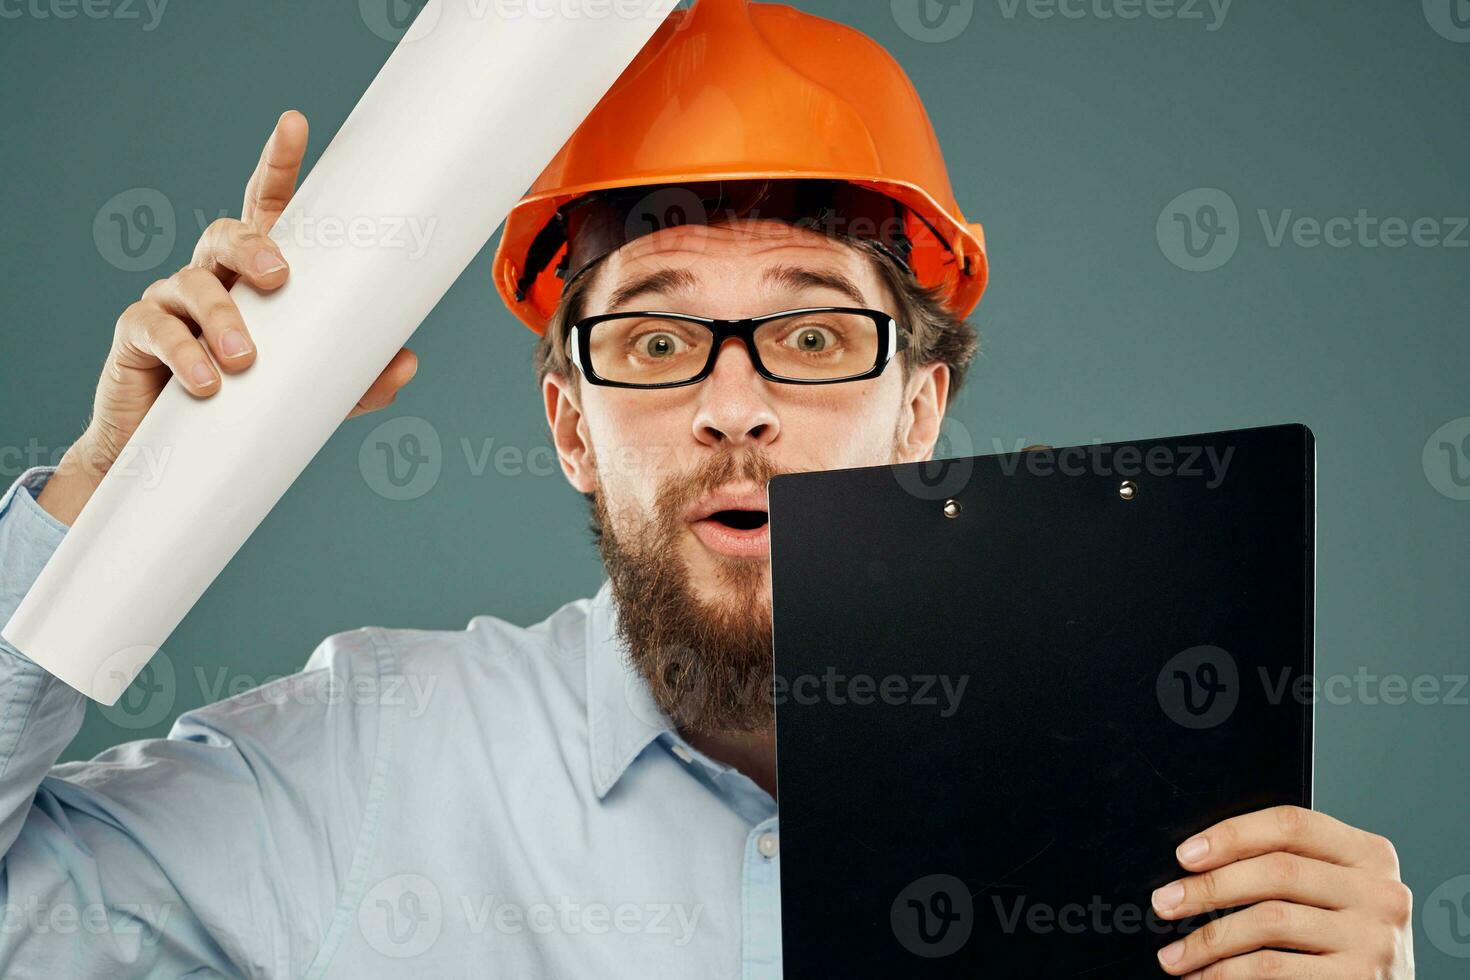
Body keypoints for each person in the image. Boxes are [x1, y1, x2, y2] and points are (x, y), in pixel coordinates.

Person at [0, 1, 1414, 976]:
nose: (733, 407)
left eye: (808, 336)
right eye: (657, 339)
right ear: (568, 423)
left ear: (917, 407)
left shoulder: (1155, 802)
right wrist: (106, 510)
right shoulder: (360, 765)